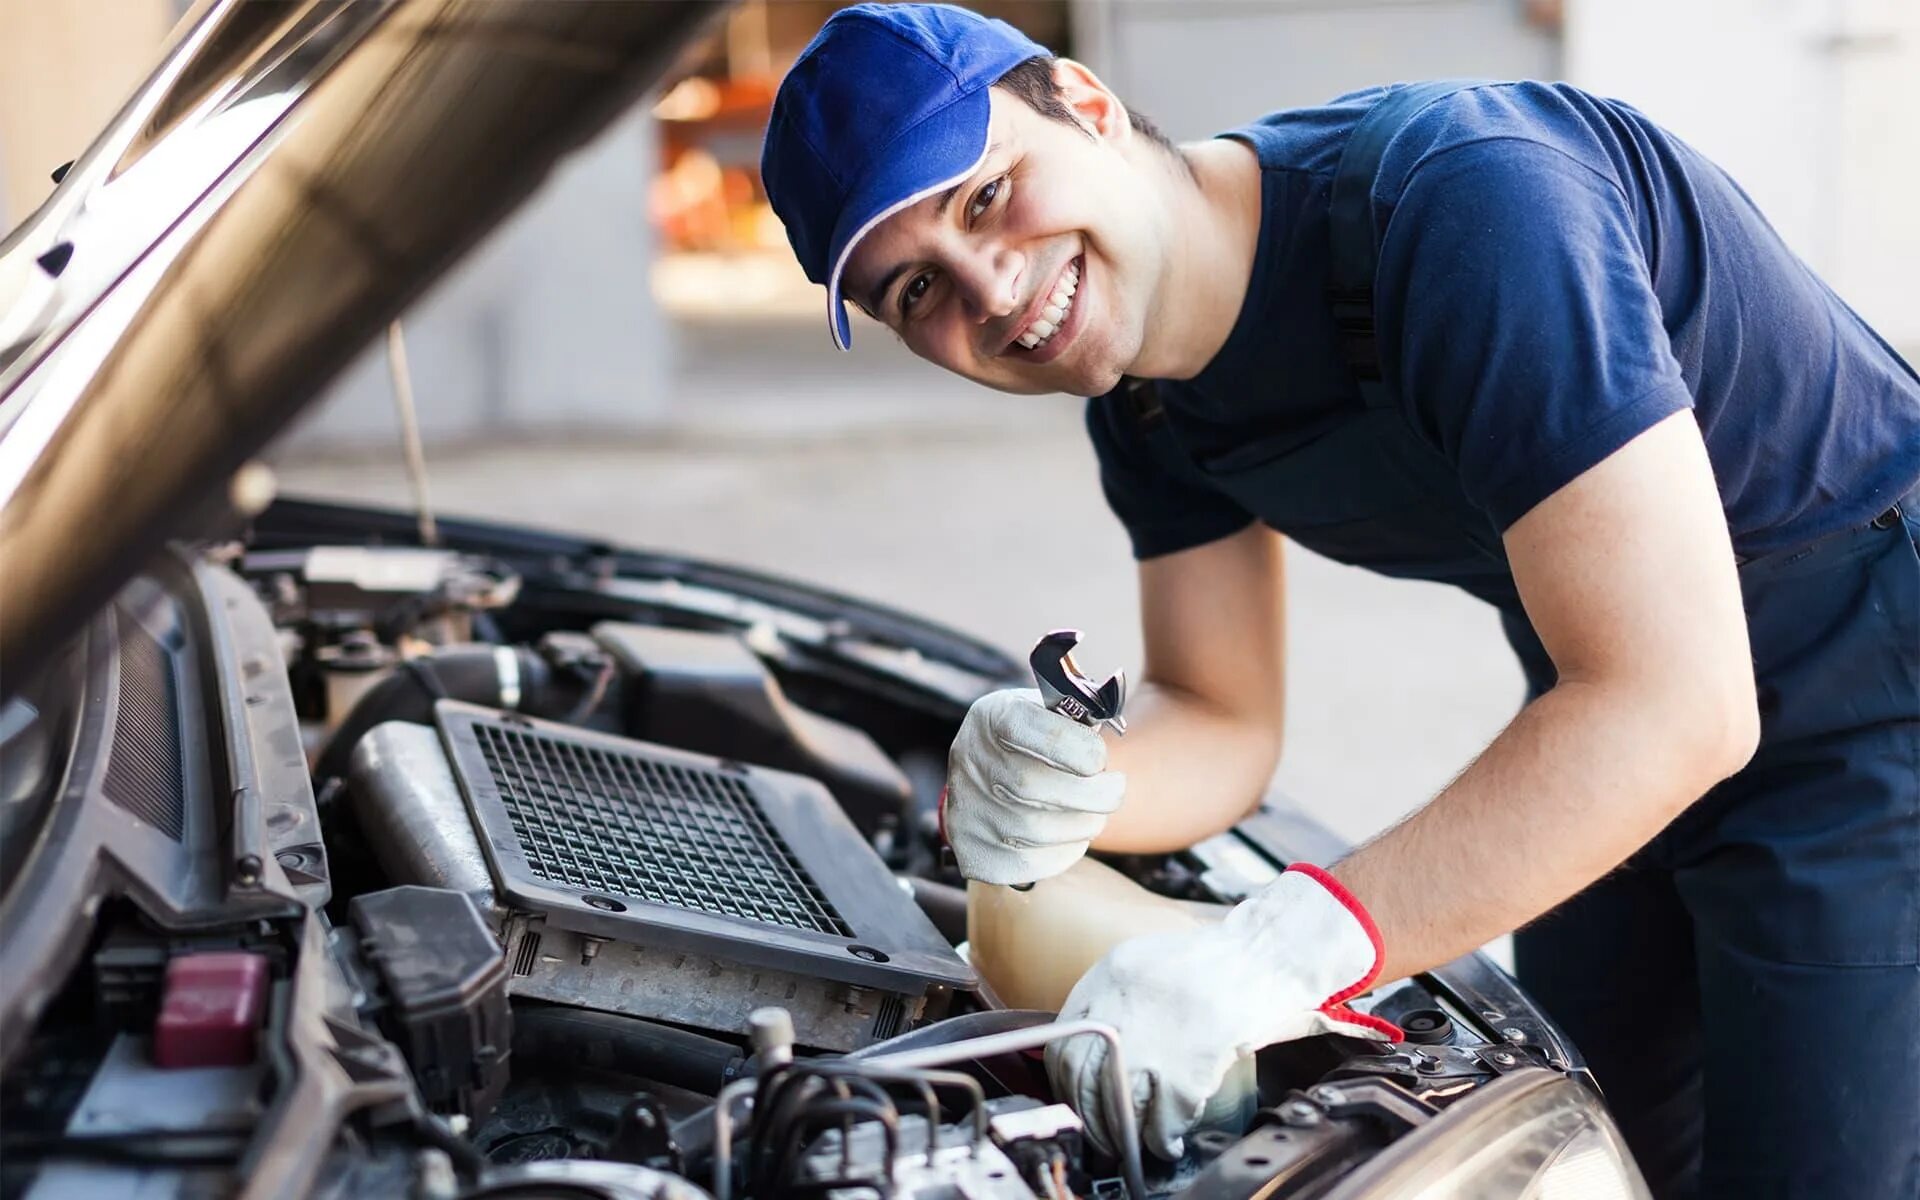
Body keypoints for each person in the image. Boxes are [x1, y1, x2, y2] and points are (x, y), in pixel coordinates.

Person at [758, 6, 1920, 1196]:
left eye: (986, 196)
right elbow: (1220, 713)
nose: (988, 290)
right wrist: (1078, 785)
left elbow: (1679, 703)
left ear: (1085, 103)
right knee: (1597, 1153)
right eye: (915, 292)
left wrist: (1276, 955)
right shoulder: (1150, 407)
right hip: (1606, 716)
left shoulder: (1467, 205)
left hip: (1867, 705)